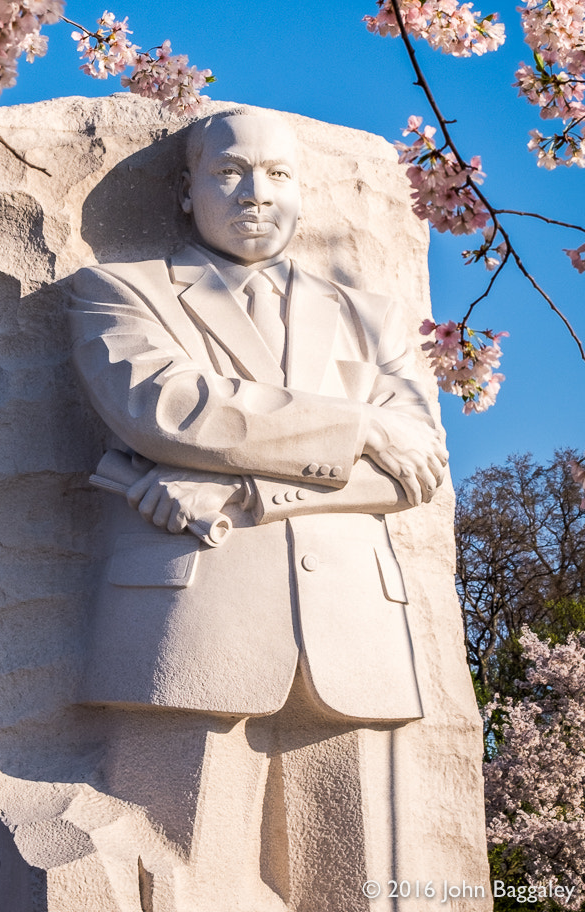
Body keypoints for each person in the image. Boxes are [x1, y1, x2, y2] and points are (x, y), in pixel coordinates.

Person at [68, 107, 448, 911]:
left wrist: (240, 490)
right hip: (194, 624)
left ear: (302, 191)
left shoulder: (373, 318)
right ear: (186, 190)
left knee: (368, 890)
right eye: (230, 171)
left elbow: (415, 473)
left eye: (278, 174)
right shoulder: (120, 292)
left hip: (357, 634)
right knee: (182, 881)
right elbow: (170, 408)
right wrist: (362, 425)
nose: (256, 192)